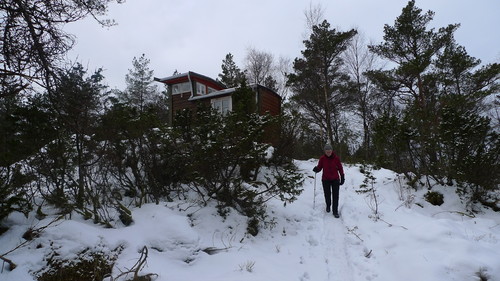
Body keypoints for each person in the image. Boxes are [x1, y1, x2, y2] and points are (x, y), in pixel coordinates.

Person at [313, 144, 345, 218]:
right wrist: (316, 169)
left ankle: (335, 211)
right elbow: (320, 167)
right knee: (327, 194)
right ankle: (328, 205)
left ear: (331, 151)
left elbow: (340, 168)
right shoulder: (322, 158)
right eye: (327, 151)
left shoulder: (336, 158)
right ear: (325, 151)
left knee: (335, 196)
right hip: (326, 179)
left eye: (329, 151)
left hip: (335, 179)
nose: (328, 153)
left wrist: (342, 177)